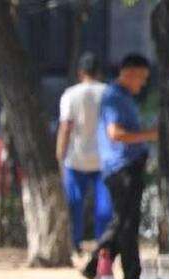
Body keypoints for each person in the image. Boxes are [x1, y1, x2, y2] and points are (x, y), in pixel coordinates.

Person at [82, 54, 158, 279]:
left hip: (128, 166)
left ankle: (122, 272)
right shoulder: (115, 97)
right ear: (128, 73)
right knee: (123, 222)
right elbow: (115, 134)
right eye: (141, 78)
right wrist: (151, 135)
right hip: (122, 168)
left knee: (127, 223)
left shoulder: (125, 97)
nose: (143, 83)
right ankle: (99, 266)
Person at [56, 52, 110, 249]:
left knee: (74, 204)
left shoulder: (70, 95)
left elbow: (65, 127)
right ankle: (103, 243)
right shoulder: (108, 93)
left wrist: (60, 154)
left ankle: (74, 243)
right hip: (103, 159)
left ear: (80, 73)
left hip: (75, 159)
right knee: (104, 206)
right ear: (99, 73)